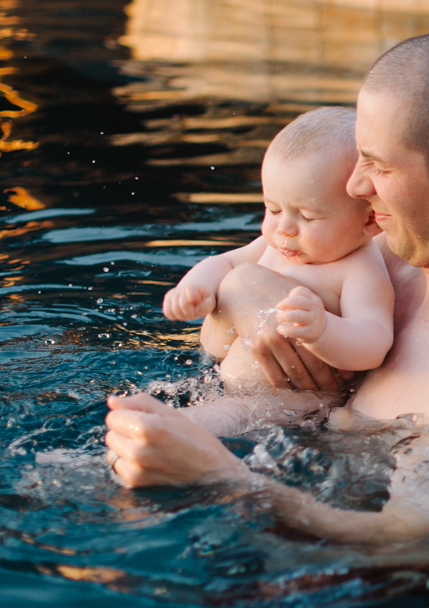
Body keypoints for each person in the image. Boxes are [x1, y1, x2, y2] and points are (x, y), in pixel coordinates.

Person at [105, 25, 429, 544]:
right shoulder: (377, 248)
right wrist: (244, 290)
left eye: (380, 166)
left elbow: (412, 543)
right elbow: (217, 339)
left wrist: (218, 477)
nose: (354, 186)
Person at [160, 107, 393, 436]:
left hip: (294, 404)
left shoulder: (359, 270)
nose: (284, 229)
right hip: (221, 383)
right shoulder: (276, 245)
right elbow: (226, 263)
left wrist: (324, 331)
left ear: (369, 219)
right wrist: (196, 286)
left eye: (307, 217)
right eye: (273, 208)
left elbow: (374, 342)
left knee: (189, 426)